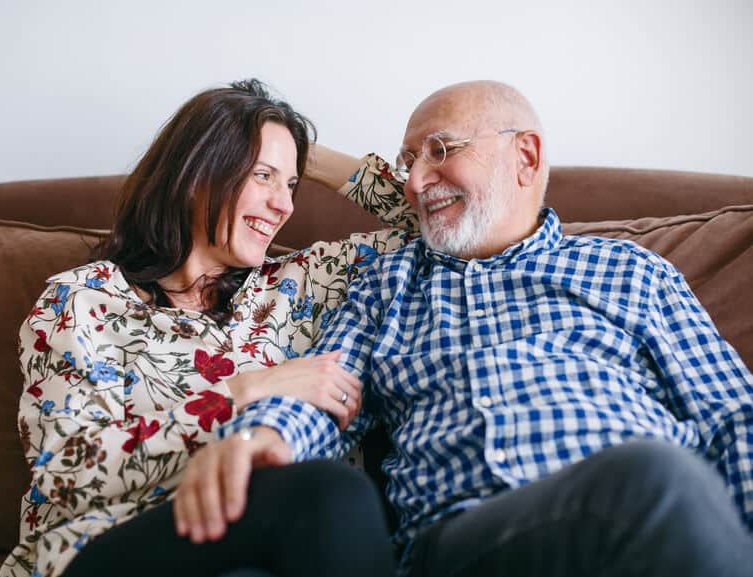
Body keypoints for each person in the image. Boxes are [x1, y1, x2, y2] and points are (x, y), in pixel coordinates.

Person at [178, 80, 753, 577]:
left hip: (655, 529)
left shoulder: (631, 271)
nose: (415, 182)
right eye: (408, 163)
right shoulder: (386, 283)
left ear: (526, 157)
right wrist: (263, 439)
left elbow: (733, 416)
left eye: (440, 150)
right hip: (466, 543)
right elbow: (322, 393)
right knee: (650, 481)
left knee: (657, 481)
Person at [0, 79, 419, 577]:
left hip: (254, 541)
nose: (284, 205)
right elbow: (69, 472)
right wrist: (246, 389)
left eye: (291, 185)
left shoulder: (300, 286)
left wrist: (301, 151)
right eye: (263, 175)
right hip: (106, 548)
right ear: (197, 172)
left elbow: (434, 220)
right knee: (334, 489)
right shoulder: (83, 299)